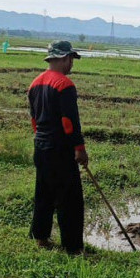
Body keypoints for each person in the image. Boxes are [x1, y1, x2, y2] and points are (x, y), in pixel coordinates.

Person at [28, 41, 88, 254]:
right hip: (60, 150)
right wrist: (79, 148)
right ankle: (72, 247)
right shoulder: (65, 85)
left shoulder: (35, 84)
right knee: (69, 199)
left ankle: (41, 238)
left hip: (41, 146)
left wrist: (41, 139)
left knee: (43, 193)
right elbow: (69, 122)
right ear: (64, 58)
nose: (72, 64)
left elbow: (34, 120)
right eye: (71, 59)